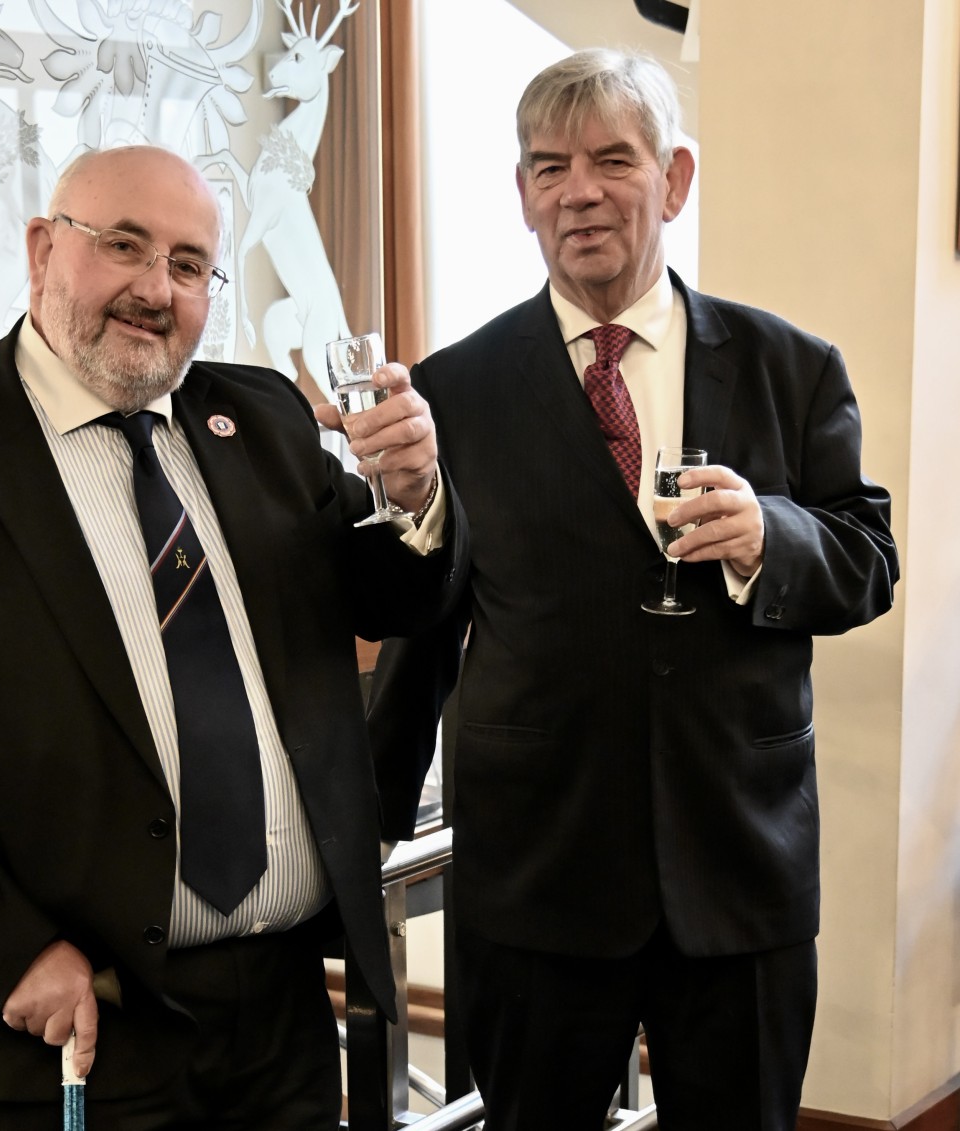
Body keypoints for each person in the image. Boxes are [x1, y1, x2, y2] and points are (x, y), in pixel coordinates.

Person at [0, 145, 467, 1131]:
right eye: (123, 245)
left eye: (190, 264)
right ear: (42, 249)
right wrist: (10, 950)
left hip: (282, 1014)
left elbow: (391, 596)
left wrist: (416, 494)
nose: (156, 289)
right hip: (73, 1026)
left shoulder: (262, 418)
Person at [366, 48, 898, 1131]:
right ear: (524, 194)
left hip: (739, 869)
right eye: (549, 166)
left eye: (614, 160)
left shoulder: (792, 367)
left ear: (675, 179)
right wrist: (367, 819)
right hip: (538, 877)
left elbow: (868, 559)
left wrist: (771, 536)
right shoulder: (454, 389)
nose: (580, 192)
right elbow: (425, 626)